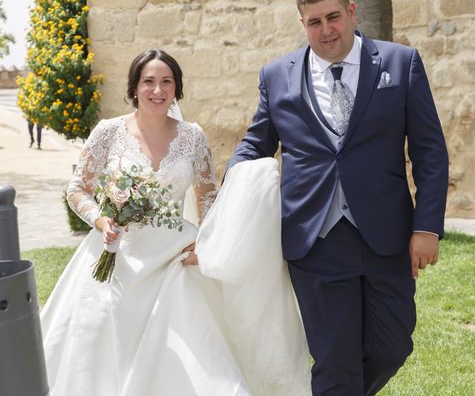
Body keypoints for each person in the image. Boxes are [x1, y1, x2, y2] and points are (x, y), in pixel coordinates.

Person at [40, 49, 311, 396]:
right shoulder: (108, 132)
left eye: (166, 82)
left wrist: (208, 243)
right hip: (118, 252)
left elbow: (207, 198)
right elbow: (78, 189)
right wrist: (100, 218)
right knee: (98, 342)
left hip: (175, 258)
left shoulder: (192, 137)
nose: (158, 90)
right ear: (134, 87)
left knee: (194, 353)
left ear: (177, 88)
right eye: (149, 81)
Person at [228, 0, 449, 395]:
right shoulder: (277, 76)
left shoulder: (401, 63)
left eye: (333, 17)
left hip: (387, 236)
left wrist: (427, 226)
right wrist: (220, 204)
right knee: (334, 360)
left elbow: (430, 152)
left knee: (392, 346)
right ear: (301, 23)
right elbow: (256, 144)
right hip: (315, 240)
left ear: (351, 12)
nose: (326, 30)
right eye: (314, 22)